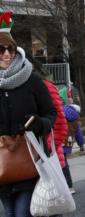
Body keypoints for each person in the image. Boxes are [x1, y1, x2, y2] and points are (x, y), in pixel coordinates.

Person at [0, 11, 57, 217]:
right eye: (1, 49)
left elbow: (51, 113)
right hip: (1, 165)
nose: (7, 54)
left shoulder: (31, 80)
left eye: (10, 49)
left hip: (30, 160)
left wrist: (39, 124)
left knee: (22, 213)